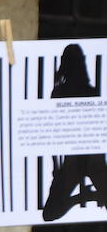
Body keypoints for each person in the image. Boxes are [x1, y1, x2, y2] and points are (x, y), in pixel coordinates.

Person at [42, 42, 107, 221]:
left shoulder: (59, 92)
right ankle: (86, 196)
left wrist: (56, 167)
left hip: (76, 160)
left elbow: (54, 133)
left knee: (51, 212)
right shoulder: (91, 91)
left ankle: (83, 197)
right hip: (91, 159)